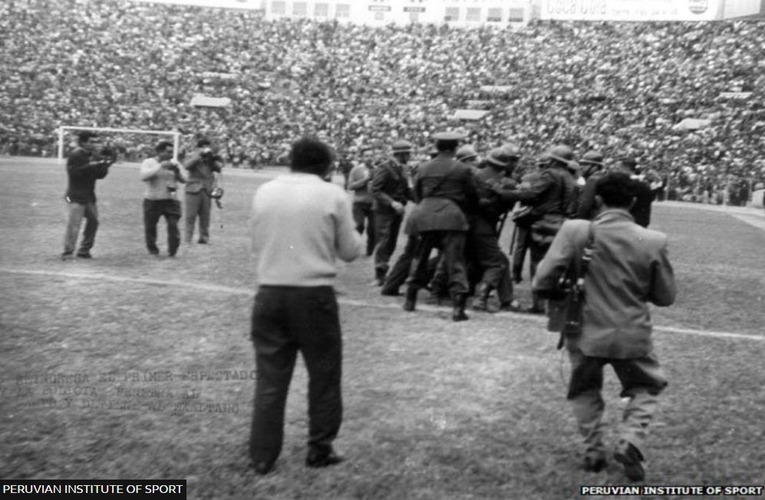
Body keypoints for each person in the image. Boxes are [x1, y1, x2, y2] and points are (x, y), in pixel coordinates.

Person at [532, 171, 676, 482]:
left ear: (597, 200)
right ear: (634, 201)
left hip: (582, 327)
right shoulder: (652, 239)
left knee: (584, 390)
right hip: (631, 331)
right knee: (647, 386)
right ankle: (631, 440)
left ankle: (593, 451)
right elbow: (665, 297)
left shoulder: (575, 230)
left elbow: (542, 279)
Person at [248, 136, 363, 475]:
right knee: (324, 375)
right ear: (327, 166)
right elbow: (350, 251)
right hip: (313, 295)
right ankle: (319, 449)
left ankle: (262, 456)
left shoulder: (264, 190)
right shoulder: (332, 194)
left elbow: (257, 241)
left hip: (269, 292)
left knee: (270, 379)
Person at [403, 131, 479, 321]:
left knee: (419, 257)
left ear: (436, 147)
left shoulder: (423, 167)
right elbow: (472, 196)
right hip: (451, 216)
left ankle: (410, 299)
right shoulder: (462, 168)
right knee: (455, 261)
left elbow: (418, 194)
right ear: (455, 148)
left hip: (424, 214)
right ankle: (457, 308)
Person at [493, 145, 577, 313]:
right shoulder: (570, 176)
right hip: (562, 222)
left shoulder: (550, 174)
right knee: (555, 264)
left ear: (553, 160)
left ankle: (538, 304)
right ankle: (551, 305)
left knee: (537, 263)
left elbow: (531, 195)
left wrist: (502, 192)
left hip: (544, 222)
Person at [469, 147, 522, 312]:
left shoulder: (475, 175)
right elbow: (515, 198)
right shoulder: (505, 182)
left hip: (468, 224)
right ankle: (481, 297)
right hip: (483, 227)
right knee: (497, 262)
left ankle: (506, 299)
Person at [61, 131, 115, 260]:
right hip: (74, 196)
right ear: (83, 142)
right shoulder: (76, 155)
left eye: (96, 142)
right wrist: (89, 165)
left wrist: (107, 163)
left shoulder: (93, 155)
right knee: (74, 224)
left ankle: (84, 250)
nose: (95, 144)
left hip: (89, 196)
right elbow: (74, 174)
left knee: (94, 222)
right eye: (92, 142)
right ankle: (68, 251)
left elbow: (100, 175)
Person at [369, 139, 414, 285]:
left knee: (392, 242)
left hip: (397, 211)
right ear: (400, 154)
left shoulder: (402, 169)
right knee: (384, 241)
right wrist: (392, 202)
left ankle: (383, 272)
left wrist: (421, 201)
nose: (410, 156)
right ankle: (379, 275)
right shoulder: (385, 167)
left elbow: (406, 191)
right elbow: (375, 190)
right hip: (384, 211)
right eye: (407, 154)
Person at [139, 140, 184, 257]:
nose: (170, 155)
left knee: (173, 225)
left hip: (171, 199)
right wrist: (160, 166)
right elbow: (144, 176)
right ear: (159, 152)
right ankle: (153, 250)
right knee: (150, 226)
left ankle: (173, 249)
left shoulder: (174, 163)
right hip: (153, 199)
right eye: (168, 152)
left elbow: (185, 179)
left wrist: (177, 172)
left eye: (171, 152)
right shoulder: (148, 162)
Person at [184, 138, 223, 244]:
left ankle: (204, 238)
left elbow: (219, 169)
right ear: (198, 148)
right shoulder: (192, 155)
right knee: (190, 216)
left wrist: (213, 159)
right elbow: (186, 166)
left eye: (207, 146)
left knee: (205, 216)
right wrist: (199, 156)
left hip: (207, 189)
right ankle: (188, 238)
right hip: (193, 189)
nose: (206, 149)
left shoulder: (209, 159)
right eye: (204, 147)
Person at [347, 146, 377, 256]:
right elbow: (350, 186)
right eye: (366, 156)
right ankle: (354, 248)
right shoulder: (356, 170)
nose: (369, 158)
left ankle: (370, 251)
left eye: (371, 156)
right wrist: (365, 180)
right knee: (359, 226)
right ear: (362, 157)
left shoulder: (378, 169)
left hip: (373, 203)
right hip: (359, 203)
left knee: (373, 229)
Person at [614, 156, 655, 227]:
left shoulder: (626, 184)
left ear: (626, 168)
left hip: (627, 221)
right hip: (641, 221)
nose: (616, 171)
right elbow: (652, 197)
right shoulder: (644, 183)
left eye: (618, 168)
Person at [574, 150, 607, 220]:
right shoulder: (603, 177)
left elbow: (585, 205)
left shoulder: (593, 179)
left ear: (595, 167)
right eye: (581, 164)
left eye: (585, 164)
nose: (581, 167)